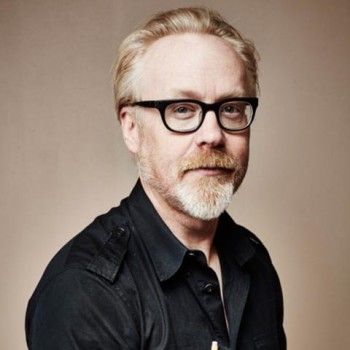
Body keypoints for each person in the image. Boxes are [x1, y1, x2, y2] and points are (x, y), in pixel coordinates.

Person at [25, 7, 286, 350]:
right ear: (131, 128)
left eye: (231, 108)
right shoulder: (85, 293)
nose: (212, 133)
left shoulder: (254, 259)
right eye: (181, 109)